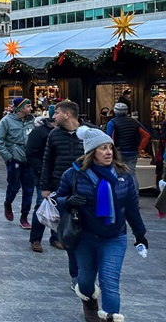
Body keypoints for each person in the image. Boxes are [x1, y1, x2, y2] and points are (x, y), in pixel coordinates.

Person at [57, 127, 147, 322]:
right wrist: (69, 201)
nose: (108, 152)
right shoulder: (74, 174)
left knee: (110, 281)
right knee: (86, 280)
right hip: (85, 236)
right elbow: (59, 200)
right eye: (102, 148)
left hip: (114, 237)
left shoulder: (124, 175)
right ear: (91, 152)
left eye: (110, 148)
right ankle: (89, 299)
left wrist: (140, 234)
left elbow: (132, 207)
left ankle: (110, 316)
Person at [40, 99, 89, 288]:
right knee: (70, 232)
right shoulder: (54, 135)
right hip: (62, 188)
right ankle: (76, 275)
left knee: (87, 232)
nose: (53, 117)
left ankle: (88, 272)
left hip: (87, 188)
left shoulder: (90, 132)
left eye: (56, 113)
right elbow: (48, 161)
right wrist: (45, 187)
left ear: (67, 114)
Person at [0, 97, 35, 228]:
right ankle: (8, 202)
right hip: (14, 159)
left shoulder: (32, 121)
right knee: (14, 186)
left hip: (29, 160)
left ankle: (24, 216)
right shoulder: (6, 121)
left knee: (29, 189)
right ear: (20, 108)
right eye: (28, 106)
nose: (31, 108)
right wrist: (8, 157)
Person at [26, 105, 60, 252]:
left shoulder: (64, 133)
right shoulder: (39, 132)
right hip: (43, 175)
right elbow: (31, 153)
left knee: (59, 205)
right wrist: (40, 169)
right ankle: (36, 239)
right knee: (41, 205)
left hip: (60, 175)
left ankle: (56, 237)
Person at [106, 102, 150, 186]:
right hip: (132, 151)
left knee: (117, 173)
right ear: (126, 111)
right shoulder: (135, 122)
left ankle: (119, 193)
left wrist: (111, 150)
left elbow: (109, 138)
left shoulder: (112, 122)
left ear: (115, 111)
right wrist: (140, 148)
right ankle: (135, 195)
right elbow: (146, 135)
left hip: (118, 152)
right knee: (131, 173)